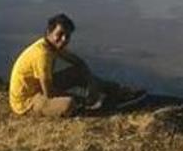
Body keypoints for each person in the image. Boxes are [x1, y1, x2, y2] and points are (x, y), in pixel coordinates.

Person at [8, 14, 144, 117]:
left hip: (37, 88)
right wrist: (82, 99)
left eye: (67, 36)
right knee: (69, 104)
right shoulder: (42, 54)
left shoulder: (51, 46)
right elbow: (48, 93)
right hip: (27, 102)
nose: (63, 40)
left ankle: (117, 91)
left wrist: (91, 83)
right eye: (60, 35)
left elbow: (79, 63)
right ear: (49, 33)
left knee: (78, 72)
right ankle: (90, 108)